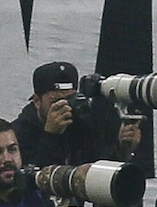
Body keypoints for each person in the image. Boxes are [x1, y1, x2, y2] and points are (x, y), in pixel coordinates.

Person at [12, 61, 142, 168]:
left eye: (70, 98)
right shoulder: (18, 135)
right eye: (56, 101)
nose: (65, 106)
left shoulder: (81, 122)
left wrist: (124, 150)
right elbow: (29, 183)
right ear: (37, 101)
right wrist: (51, 135)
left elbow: (98, 171)